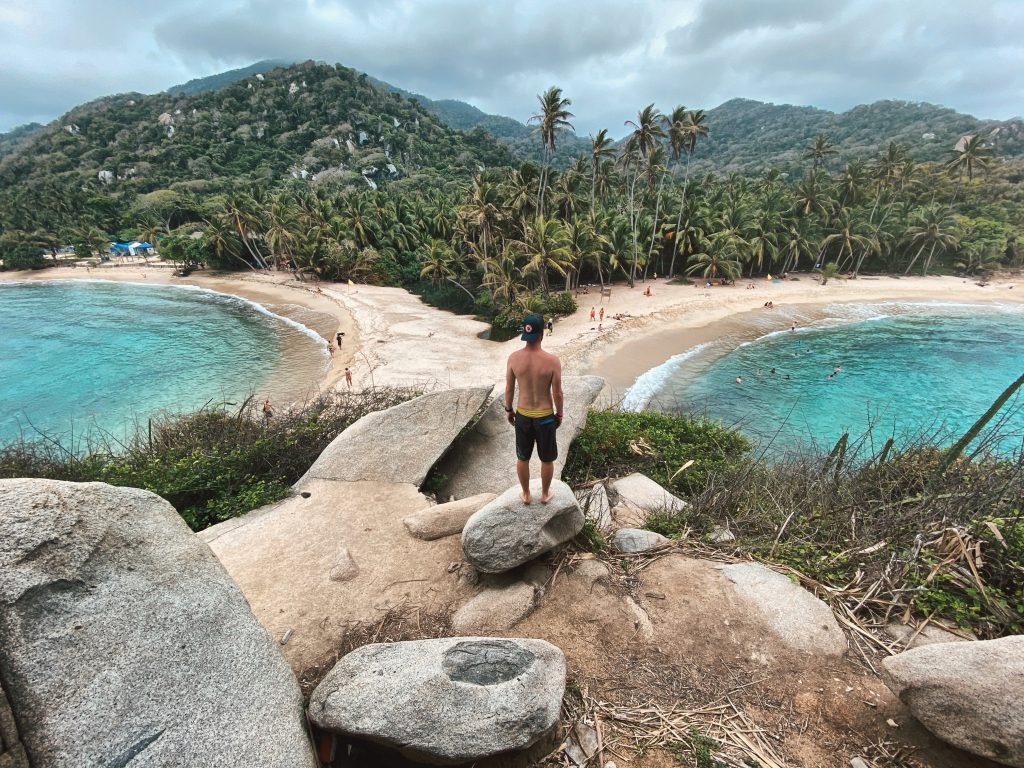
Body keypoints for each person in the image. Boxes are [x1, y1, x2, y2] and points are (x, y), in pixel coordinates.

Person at [504, 313, 563, 505]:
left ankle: (527, 494)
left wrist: (508, 410)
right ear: (542, 334)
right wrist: (559, 413)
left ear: (525, 332)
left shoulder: (513, 358)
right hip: (545, 417)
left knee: (523, 457)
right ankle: (545, 494)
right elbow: (558, 393)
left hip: (522, 416)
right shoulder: (552, 361)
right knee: (546, 460)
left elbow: (509, 388)